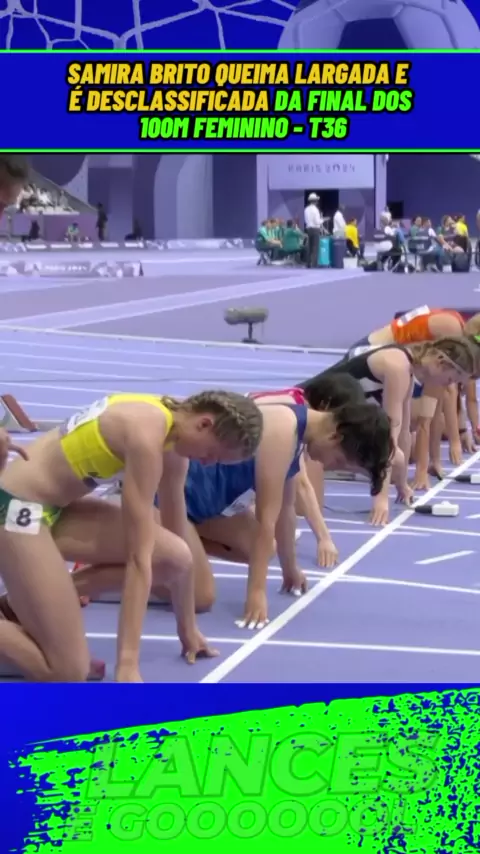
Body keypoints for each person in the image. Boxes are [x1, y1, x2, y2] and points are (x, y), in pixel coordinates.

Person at [0, 390, 263, 682]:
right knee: (67, 672)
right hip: (14, 510)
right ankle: (35, 612)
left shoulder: (172, 441)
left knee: (175, 557)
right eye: (212, 455)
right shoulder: (145, 435)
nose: (207, 464)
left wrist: (187, 630)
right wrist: (127, 663)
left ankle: (18, 605)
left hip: (57, 508)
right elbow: (139, 560)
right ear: (204, 423)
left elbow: (180, 540)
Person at [69, 399, 393, 630]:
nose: (329, 466)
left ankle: (168, 552)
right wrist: (256, 593)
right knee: (200, 597)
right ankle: (80, 582)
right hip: (172, 502)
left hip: (207, 509)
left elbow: (286, 511)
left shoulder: (300, 436)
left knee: (257, 548)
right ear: (335, 436)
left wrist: (290, 570)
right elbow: (266, 518)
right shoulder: (283, 429)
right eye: (339, 461)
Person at [300, 337, 476, 524]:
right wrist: (381, 497)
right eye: (450, 379)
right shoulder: (397, 367)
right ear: (440, 362)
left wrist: (402, 483)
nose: (447, 385)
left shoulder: (409, 372)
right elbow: (388, 441)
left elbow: (403, 434)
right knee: (304, 510)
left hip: (331, 418)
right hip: (304, 410)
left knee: (396, 458)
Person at [347, 307, 480, 472]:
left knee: (413, 445)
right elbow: (439, 403)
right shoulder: (451, 337)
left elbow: (452, 395)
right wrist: (425, 468)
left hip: (393, 359)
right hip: (371, 355)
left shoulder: (457, 341)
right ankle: (347, 454)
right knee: (415, 422)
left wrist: (461, 431)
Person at [304, 192, 322, 268]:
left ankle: (308, 263)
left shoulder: (306, 209)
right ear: (315, 201)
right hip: (315, 229)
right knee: (315, 247)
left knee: (309, 247)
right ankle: (314, 264)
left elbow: (306, 220)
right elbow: (317, 221)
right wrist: (322, 220)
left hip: (308, 229)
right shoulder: (315, 210)